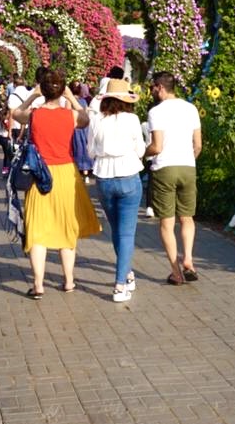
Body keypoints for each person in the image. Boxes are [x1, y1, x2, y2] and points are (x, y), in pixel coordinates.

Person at [16, 67, 101, 298]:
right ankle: (69, 281)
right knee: (66, 226)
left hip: (40, 175)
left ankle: (39, 284)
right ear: (60, 89)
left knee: (37, 230)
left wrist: (32, 96)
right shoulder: (70, 115)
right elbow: (85, 119)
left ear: (42, 90)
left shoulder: (34, 114)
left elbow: (15, 113)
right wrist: (71, 97)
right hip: (65, 174)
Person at [87, 78, 145, 302]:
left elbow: (91, 151)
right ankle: (120, 284)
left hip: (104, 177)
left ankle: (127, 274)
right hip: (129, 174)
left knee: (116, 230)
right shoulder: (132, 120)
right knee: (127, 232)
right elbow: (140, 150)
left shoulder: (97, 120)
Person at [145, 71, 202, 286]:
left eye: (153, 87)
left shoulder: (156, 112)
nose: (152, 91)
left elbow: (157, 146)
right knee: (187, 218)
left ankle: (176, 273)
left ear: (160, 87)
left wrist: (142, 152)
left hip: (164, 169)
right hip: (188, 166)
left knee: (166, 223)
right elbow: (198, 145)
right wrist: (189, 158)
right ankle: (188, 258)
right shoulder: (191, 108)